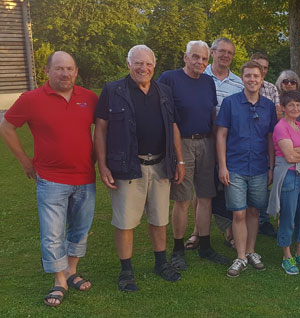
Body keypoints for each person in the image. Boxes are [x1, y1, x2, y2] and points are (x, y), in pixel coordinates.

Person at [0, 51, 97, 307]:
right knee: (52, 233)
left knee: (80, 229)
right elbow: (6, 126)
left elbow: (102, 128)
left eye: (69, 69)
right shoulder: (31, 100)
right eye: (59, 69)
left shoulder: (88, 97)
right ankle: (59, 280)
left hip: (85, 176)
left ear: (76, 72)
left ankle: (71, 270)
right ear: (47, 71)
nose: (65, 73)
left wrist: (98, 156)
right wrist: (24, 160)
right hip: (51, 179)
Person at [94, 45, 185, 292]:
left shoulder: (164, 92)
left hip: (160, 165)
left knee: (159, 219)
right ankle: (126, 271)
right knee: (125, 222)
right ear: (128, 64)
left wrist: (180, 160)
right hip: (127, 166)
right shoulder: (113, 91)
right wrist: (102, 165)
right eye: (138, 63)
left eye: (148, 64)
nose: (143, 68)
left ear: (154, 66)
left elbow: (173, 126)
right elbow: (100, 130)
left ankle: (161, 263)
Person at [157, 41, 228, 270]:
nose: (200, 62)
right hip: (182, 144)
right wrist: (174, 154)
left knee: (206, 196)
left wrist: (218, 148)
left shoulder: (208, 82)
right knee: (183, 198)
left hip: (206, 141)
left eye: (204, 59)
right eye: (195, 57)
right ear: (185, 57)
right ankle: (178, 249)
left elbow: (212, 113)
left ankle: (205, 245)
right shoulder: (169, 78)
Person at [216, 61, 277, 277]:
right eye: (248, 76)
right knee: (238, 211)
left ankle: (251, 251)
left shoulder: (269, 106)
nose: (252, 79)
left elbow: (271, 138)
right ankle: (240, 256)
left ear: (262, 79)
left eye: (256, 76)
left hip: (260, 167)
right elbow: (221, 135)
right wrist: (222, 166)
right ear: (242, 78)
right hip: (235, 166)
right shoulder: (231, 103)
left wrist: (271, 167)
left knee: (254, 210)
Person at [187, 37, 244, 251]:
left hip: (228, 141)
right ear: (212, 52)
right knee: (200, 188)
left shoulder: (238, 83)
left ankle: (228, 230)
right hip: (202, 137)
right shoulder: (201, 75)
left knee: (226, 185)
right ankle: (197, 231)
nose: (226, 56)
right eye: (222, 51)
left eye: (230, 52)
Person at [267, 91, 300, 275]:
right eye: (291, 105)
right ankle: (286, 255)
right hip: (289, 175)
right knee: (288, 216)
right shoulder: (281, 127)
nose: (295, 108)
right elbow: (288, 156)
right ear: (283, 108)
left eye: (298, 105)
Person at [250, 52, 281, 237]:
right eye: (258, 66)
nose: (262, 71)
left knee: (265, 182)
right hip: (245, 141)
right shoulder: (243, 84)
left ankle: (263, 220)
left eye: (265, 68)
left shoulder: (271, 88)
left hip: (266, 139)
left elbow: (276, 116)